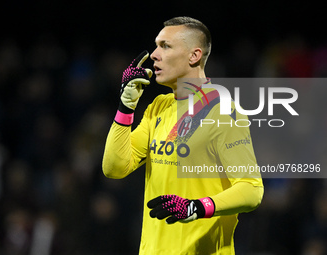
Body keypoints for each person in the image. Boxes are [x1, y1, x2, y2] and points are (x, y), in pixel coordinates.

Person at [102, 16, 263, 255]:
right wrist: (126, 107)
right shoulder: (158, 106)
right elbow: (115, 168)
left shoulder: (223, 110)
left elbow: (251, 189)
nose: (155, 54)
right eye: (156, 45)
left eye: (165, 46)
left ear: (194, 56)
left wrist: (196, 207)